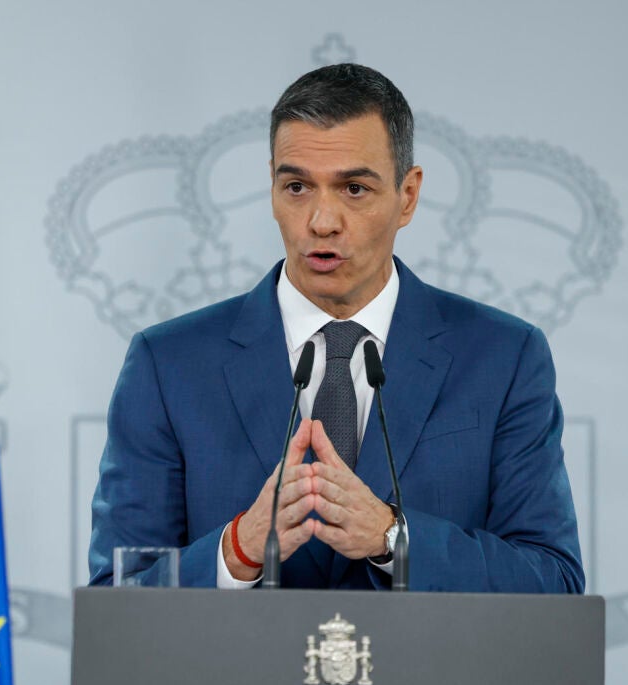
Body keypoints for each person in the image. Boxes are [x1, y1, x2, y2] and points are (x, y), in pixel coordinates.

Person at [88, 63, 584, 592]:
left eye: (354, 188)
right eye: (297, 186)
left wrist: (393, 539)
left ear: (408, 195)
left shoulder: (504, 357)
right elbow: (118, 597)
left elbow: (553, 582)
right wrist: (238, 549)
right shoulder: (168, 364)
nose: (322, 221)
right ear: (272, 189)